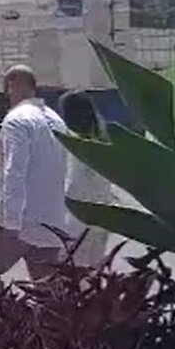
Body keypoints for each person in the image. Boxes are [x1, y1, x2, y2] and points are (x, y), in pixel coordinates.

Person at [0, 65, 69, 291]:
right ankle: (45, 326)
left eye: (7, 89)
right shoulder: (57, 121)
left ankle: (13, 323)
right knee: (47, 290)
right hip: (52, 224)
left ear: (12, 85)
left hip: (21, 222)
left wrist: (10, 223)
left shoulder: (16, 121)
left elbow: (14, 172)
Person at [59, 91, 116, 268]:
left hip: (76, 222)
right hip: (102, 218)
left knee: (72, 275)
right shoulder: (102, 140)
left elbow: (72, 185)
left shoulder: (69, 142)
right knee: (93, 273)